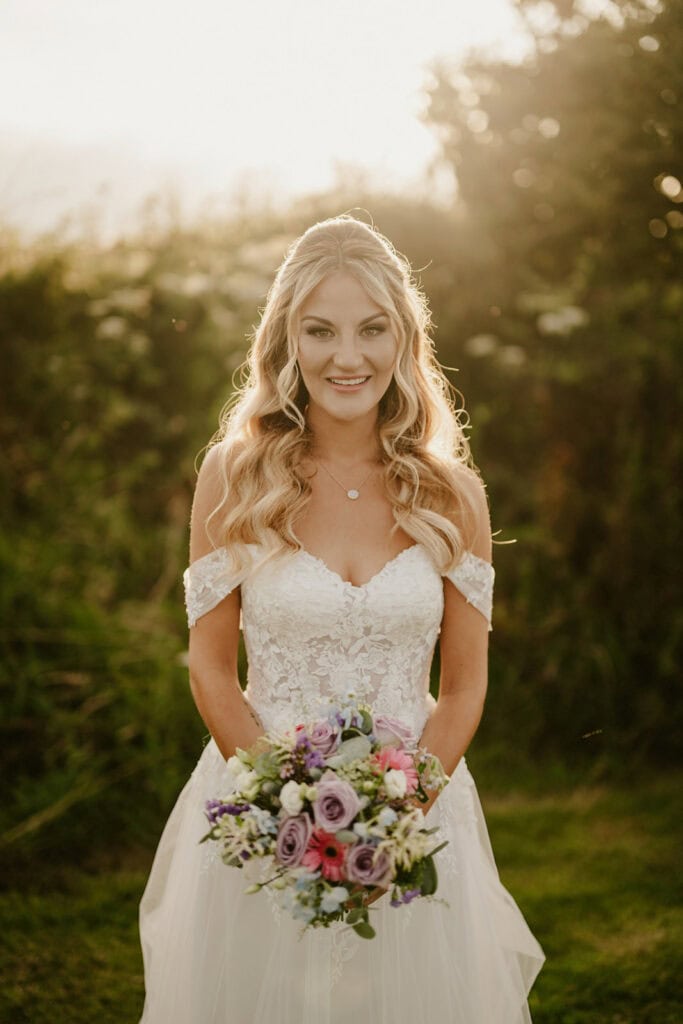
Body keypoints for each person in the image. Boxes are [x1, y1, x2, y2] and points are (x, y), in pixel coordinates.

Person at [138, 214, 545, 1022]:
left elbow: (462, 687)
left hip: (419, 810)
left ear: (403, 338)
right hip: (262, 813)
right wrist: (283, 804)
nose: (346, 357)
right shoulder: (235, 476)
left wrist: (395, 819)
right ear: (285, 339)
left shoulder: (452, 493)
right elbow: (212, 667)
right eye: (319, 331)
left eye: (370, 330)